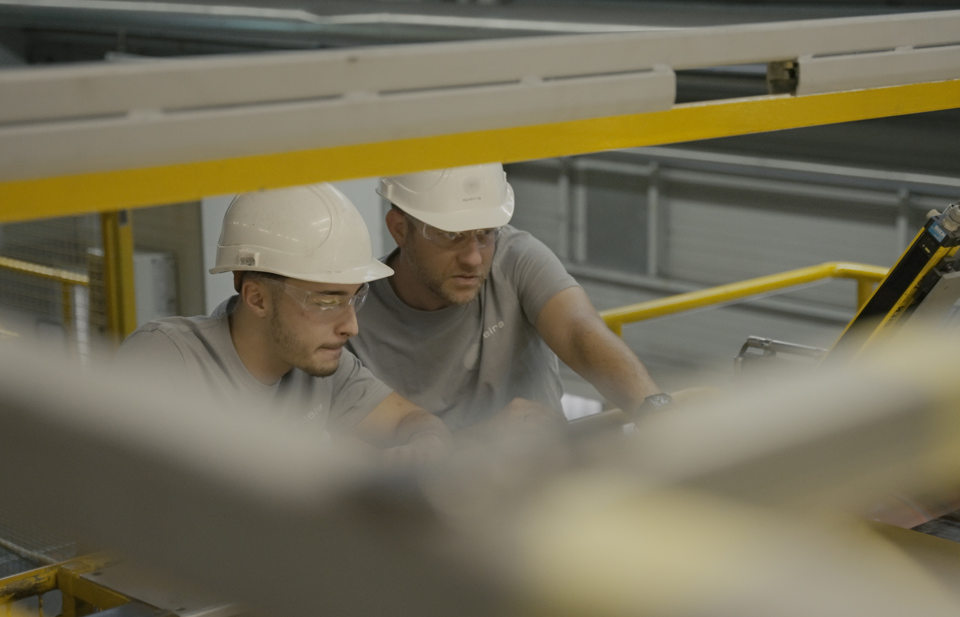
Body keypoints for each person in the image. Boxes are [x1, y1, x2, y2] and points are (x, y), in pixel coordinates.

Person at [116, 182, 450, 462]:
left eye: (353, 298)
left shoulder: (320, 367)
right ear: (257, 298)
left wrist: (423, 451)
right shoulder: (166, 361)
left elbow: (412, 420)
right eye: (326, 301)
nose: (351, 326)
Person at [347, 163, 669, 432]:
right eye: (451, 235)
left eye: (486, 233)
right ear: (400, 229)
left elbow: (580, 333)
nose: (473, 258)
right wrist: (484, 443)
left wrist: (655, 409)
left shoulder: (516, 259)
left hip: (538, 486)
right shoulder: (352, 320)